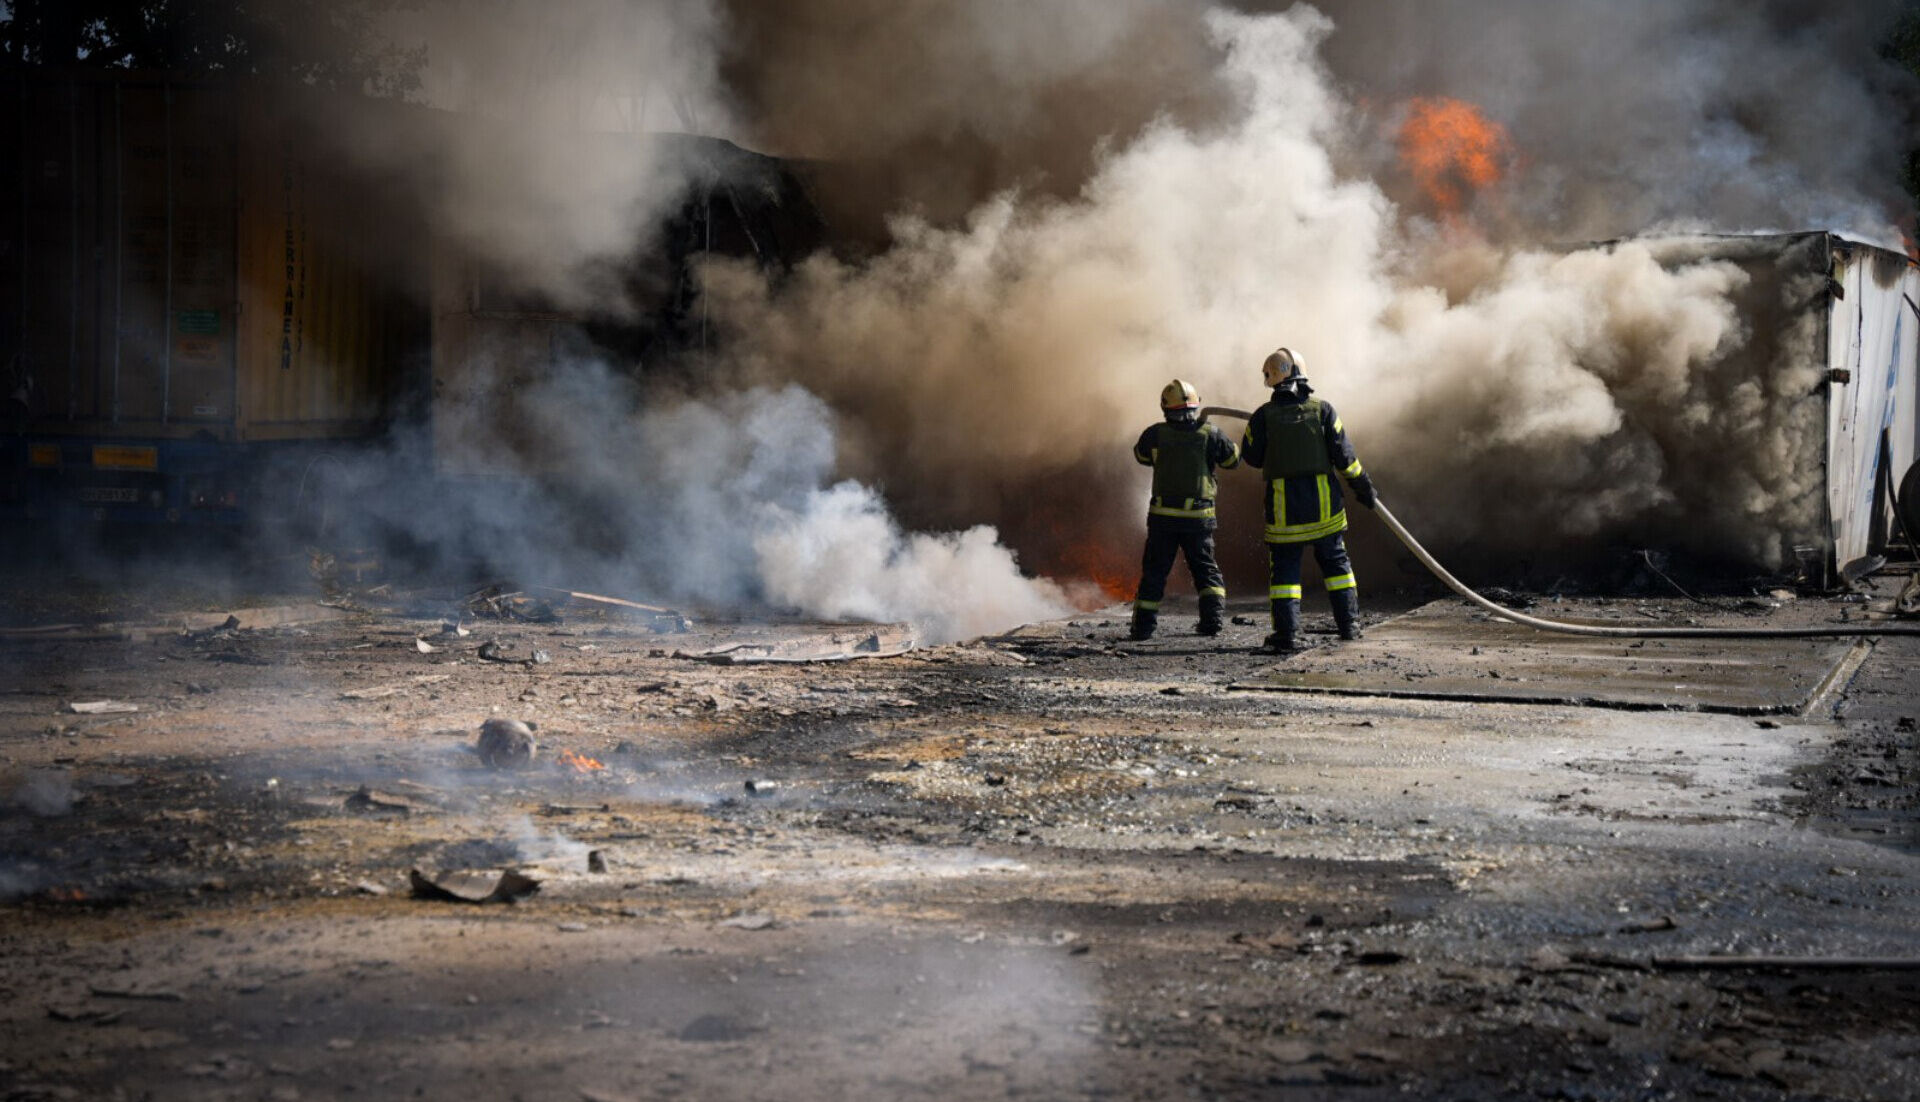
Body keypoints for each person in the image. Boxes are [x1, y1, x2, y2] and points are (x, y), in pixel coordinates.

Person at [1237, 348, 1377, 654]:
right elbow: (1345, 457)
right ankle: (1349, 627)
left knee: (1285, 574)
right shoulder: (1323, 410)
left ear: (1271, 378)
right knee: (1337, 566)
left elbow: (1252, 458)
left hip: (1285, 515)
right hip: (1325, 509)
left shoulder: (1263, 416)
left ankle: (1286, 636)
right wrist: (1363, 486)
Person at [1129, 379, 1241, 640]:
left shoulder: (1154, 434)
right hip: (1198, 518)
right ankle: (1211, 622)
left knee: (1155, 572)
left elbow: (1141, 456)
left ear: (1166, 408)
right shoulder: (1210, 434)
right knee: (1205, 570)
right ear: (1195, 405)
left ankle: (1143, 628)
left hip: (1162, 519)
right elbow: (1233, 460)